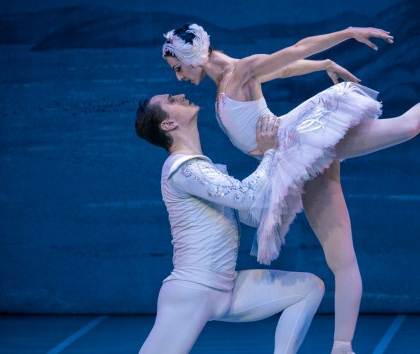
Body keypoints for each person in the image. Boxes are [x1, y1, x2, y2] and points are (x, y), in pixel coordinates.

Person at [160, 23, 420, 354]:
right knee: (341, 259)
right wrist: (324, 65)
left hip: (302, 141)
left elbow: (296, 49)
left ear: (193, 56)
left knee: (406, 127)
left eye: (178, 67)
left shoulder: (241, 71)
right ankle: (342, 347)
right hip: (295, 161)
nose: (179, 78)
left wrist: (347, 33)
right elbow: (284, 68)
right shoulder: (228, 81)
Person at [135, 93, 325, 354]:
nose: (180, 94)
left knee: (309, 287)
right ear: (168, 124)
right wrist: (270, 154)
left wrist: (288, 173)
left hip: (227, 290)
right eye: (172, 99)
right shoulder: (182, 168)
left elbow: (250, 216)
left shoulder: (206, 168)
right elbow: (246, 197)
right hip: (192, 291)